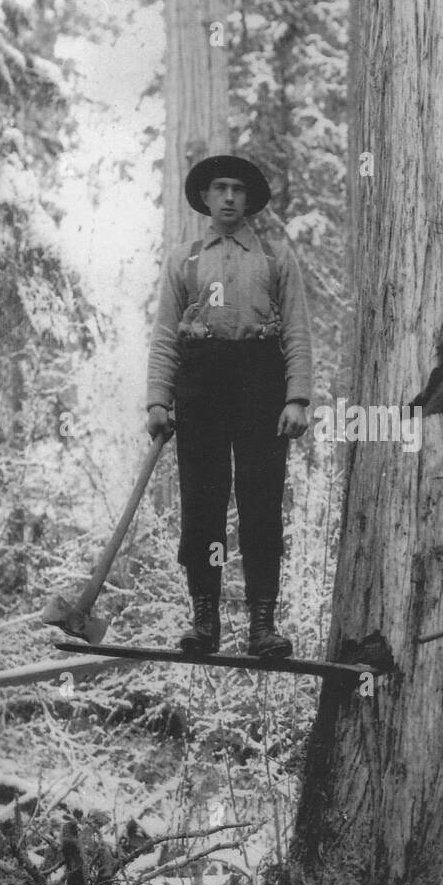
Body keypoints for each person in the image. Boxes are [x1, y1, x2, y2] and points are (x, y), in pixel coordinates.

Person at [146, 154, 311, 658]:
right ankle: (205, 623)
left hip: (259, 381)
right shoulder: (185, 260)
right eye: (219, 188)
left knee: (260, 504)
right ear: (205, 197)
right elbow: (165, 338)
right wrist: (158, 399)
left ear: (250, 200)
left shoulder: (275, 258)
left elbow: (299, 332)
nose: (228, 198)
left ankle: (262, 626)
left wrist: (297, 397)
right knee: (204, 502)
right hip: (201, 385)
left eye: (238, 189)